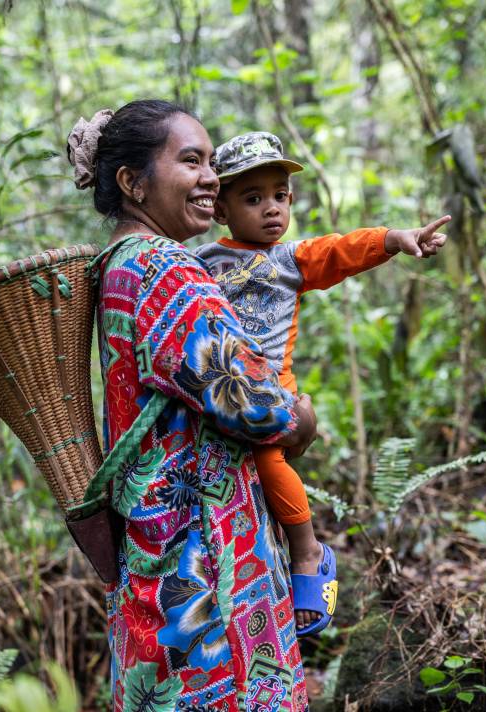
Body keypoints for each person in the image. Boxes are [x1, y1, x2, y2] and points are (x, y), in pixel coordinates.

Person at [67, 101, 316, 711]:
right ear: (132, 183)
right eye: (190, 160)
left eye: (210, 161)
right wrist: (299, 417)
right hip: (207, 564)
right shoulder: (168, 269)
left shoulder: (117, 267)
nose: (211, 177)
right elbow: (249, 404)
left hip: (155, 549)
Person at [193, 131, 450, 635]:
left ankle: (307, 552)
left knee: (268, 460)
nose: (272, 209)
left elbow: (339, 251)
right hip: (220, 392)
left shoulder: (290, 260)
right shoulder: (202, 262)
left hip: (270, 394)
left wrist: (395, 239)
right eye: (253, 198)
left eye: (280, 196)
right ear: (221, 209)